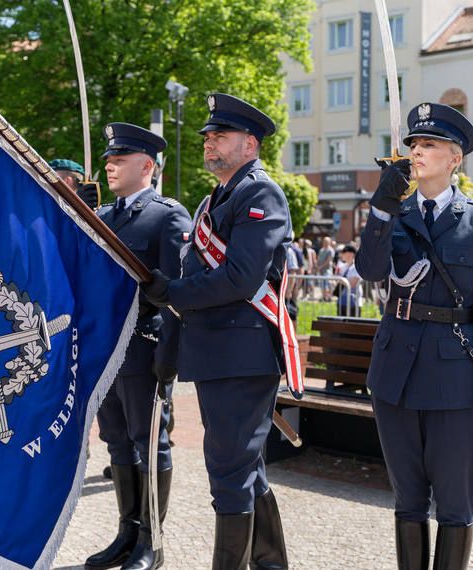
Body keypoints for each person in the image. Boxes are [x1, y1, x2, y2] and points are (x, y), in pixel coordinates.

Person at [355, 102, 473, 569]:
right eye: (414, 144)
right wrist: (382, 208)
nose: (417, 152)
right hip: (394, 376)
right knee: (407, 500)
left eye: (430, 145)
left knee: (454, 504)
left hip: (452, 378)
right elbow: (369, 270)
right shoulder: (394, 210)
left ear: (455, 158)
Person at [142, 93, 292, 570]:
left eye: (219, 136)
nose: (208, 142)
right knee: (246, 468)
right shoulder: (218, 198)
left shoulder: (260, 192)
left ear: (250, 144)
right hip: (218, 352)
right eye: (206, 136)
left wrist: (173, 294)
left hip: (242, 354)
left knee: (228, 473)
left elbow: (241, 278)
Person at [85, 123, 191, 570]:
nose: (109, 165)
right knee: (116, 444)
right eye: (109, 158)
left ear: (147, 166)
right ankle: (127, 532)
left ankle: (153, 541)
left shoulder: (168, 216)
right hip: (107, 351)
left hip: (144, 349)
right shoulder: (104, 217)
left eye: (120, 159)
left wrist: (168, 357)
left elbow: (178, 295)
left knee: (151, 445)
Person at [335, 243, 362, 317]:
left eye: (344, 253)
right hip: (342, 302)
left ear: (351, 254)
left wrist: (339, 279)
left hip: (352, 303)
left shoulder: (355, 267)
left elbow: (352, 285)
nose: (341, 255)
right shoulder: (343, 266)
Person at [317, 236, 335, 301]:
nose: (325, 242)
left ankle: (326, 297)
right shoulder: (321, 250)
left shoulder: (330, 250)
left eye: (326, 241)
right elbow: (318, 259)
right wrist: (317, 267)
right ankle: (324, 296)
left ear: (329, 242)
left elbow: (328, 260)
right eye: (324, 241)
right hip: (320, 270)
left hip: (327, 270)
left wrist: (320, 267)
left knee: (327, 284)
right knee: (321, 284)